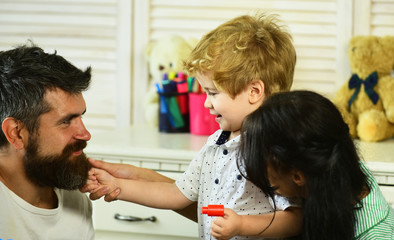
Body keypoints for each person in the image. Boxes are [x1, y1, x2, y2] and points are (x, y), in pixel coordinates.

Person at [84, 13, 303, 239]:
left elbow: (294, 219)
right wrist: (117, 185)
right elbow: (175, 193)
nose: (206, 103)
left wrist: (242, 225)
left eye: (213, 92)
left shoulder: (273, 150)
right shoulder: (215, 144)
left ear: (254, 92)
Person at [237, 90, 394, 240]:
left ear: (298, 176)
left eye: (263, 166)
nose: (264, 176)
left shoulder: (376, 236)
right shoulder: (336, 167)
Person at [0, 43, 94, 239]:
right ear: (16, 133)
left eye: (80, 117)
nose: (85, 134)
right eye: (66, 121)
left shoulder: (76, 203)